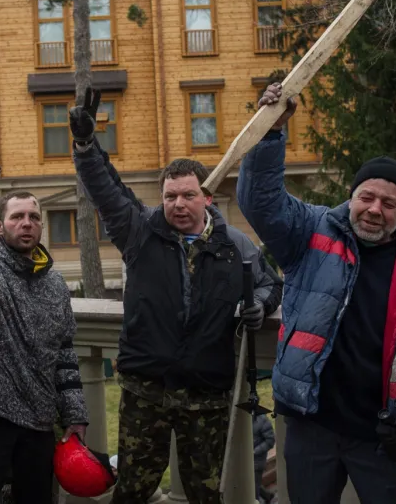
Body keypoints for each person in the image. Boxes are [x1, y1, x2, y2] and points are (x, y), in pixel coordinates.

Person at [236, 83, 396, 504]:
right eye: (367, 197)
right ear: (352, 197)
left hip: (385, 433)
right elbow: (260, 202)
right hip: (311, 426)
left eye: (389, 203)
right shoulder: (311, 231)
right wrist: (271, 133)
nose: (375, 209)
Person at [69, 88, 283, 504]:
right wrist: (84, 146)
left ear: (206, 197)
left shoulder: (233, 245)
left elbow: (271, 284)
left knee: (205, 494)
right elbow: (106, 191)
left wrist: (259, 304)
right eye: (170, 196)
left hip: (207, 397)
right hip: (144, 392)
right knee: (131, 491)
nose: (178, 204)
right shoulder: (140, 233)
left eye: (188, 195)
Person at [0, 146, 89, 504]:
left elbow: (65, 353)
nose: (26, 223)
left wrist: (74, 414)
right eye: (16, 217)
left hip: (41, 425)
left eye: (33, 217)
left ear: (41, 225)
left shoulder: (56, 284)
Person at [252, 412, 275, 504]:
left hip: (257, 462)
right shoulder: (242, 419)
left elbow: (270, 441)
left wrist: (255, 451)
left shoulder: (262, 420)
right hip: (245, 461)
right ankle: (267, 496)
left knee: (254, 489)